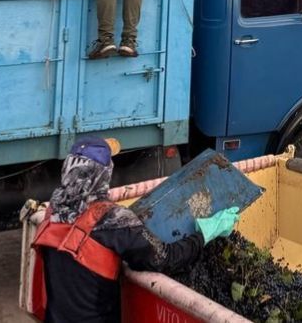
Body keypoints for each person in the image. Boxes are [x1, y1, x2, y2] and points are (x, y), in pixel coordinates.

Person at [31, 136, 239, 323]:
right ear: (104, 174)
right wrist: (204, 234)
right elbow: (164, 259)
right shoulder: (112, 220)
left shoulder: (53, 211)